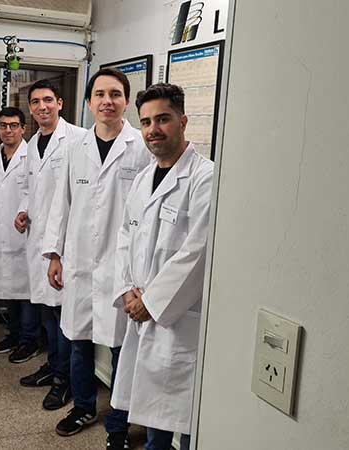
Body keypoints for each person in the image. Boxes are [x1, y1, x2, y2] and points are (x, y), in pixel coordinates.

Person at [42, 68, 152, 448]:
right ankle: (84, 406)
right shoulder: (75, 148)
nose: (108, 101)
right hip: (80, 261)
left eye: (115, 94)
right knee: (79, 342)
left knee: (122, 347)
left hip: (123, 267)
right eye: (100, 94)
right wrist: (55, 255)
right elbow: (61, 204)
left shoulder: (141, 148)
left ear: (126, 101)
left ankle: (118, 423)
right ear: (89, 103)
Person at [111, 83, 213, 450]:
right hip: (142, 311)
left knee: (185, 422)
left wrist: (151, 303)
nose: (153, 129)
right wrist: (127, 289)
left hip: (177, 318)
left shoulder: (205, 178)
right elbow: (125, 236)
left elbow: (198, 251)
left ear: (183, 121)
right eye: (146, 122)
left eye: (163, 119)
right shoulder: (143, 179)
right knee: (154, 414)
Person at [14, 79, 86, 411]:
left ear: (60, 103)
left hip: (65, 244)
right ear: (30, 108)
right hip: (39, 240)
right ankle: (53, 366)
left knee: (62, 316)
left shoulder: (78, 139)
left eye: (47, 100)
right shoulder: (32, 144)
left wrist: (60, 246)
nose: (42, 106)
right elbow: (30, 189)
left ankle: (63, 380)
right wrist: (23, 211)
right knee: (47, 311)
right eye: (35, 102)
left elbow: (79, 196)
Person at [0, 107, 39, 364]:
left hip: (26, 232)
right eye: (3, 125)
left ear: (23, 129)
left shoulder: (32, 156)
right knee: (9, 289)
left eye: (14, 125)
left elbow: (36, 191)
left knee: (27, 292)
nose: (8, 130)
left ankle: (30, 341)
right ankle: (14, 334)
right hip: (2, 234)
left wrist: (24, 211)